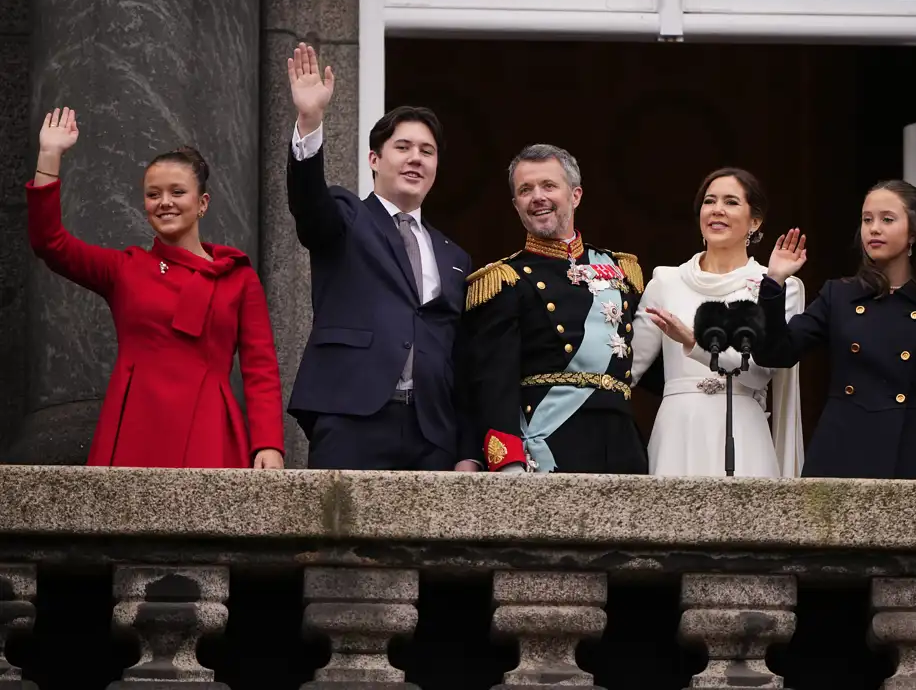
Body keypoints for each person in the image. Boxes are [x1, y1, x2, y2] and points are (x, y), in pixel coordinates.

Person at [26, 107, 285, 469]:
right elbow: (49, 243)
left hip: (210, 428)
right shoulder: (126, 269)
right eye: (153, 194)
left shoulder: (237, 277)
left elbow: (261, 370)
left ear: (202, 203)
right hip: (135, 425)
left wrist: (268, 444)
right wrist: (49, 157)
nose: (164, 202)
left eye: (177, 192)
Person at [285, 43, 477, 471]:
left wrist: (467, 448)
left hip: (433, 432)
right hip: (353, 417)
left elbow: (459, 357)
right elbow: (308, 204)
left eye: (427, 152)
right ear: (374, 159)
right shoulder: (346, 217)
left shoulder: (455, 255)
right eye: (403, 147)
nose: (415, 158)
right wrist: (310, 121)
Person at [752, 179, 916, 479]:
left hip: (907, 455)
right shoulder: (839, 295)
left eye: (887, 219)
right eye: (867, 219)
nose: (874, 228)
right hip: (837, 451)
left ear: (913, 234)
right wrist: (774, 283)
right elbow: (774, 353)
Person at [463, 144, 648, 474]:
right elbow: (493, 384)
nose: (537, 197)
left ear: (575, 195)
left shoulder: (620, 270)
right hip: (552, 445)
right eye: (525, 190)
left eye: (548, 186)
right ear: (516, 205)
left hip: (622, 447)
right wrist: (508, 463)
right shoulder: (506, 280)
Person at [630, 168, 804, 477]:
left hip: (743, 428)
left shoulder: (778, 286)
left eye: (731, 202)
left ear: (755, 221)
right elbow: (627, 369)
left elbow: (760, 374)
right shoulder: (666, 281)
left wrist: (694, 344)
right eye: (710, 201)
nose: (717, 209)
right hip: (677, 431)